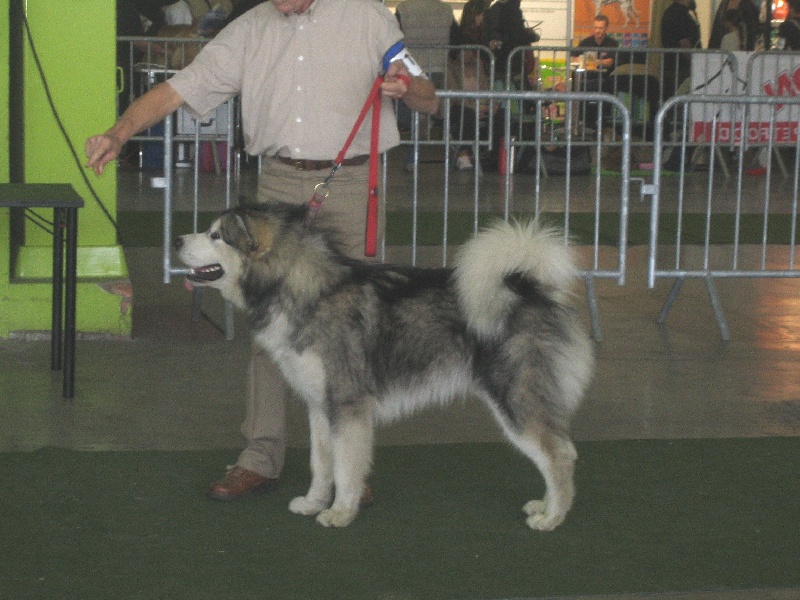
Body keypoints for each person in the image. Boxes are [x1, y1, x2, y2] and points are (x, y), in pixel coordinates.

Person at [86, 0, 438, 502]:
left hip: (355, 180)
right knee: (270, 324)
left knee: (351, 328)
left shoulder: (368, 17)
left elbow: (429, 96)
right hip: (277, 184)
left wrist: (407, 89)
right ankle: (260, 457)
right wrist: (119, 133)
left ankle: (348, 468)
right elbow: (179, 88)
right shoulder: (249, 30)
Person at [571, 14, 619, 130]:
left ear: (606, 28)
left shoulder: (612, 43)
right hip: (586, 77)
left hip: (606, 79)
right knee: (578, 86)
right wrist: (582, 60)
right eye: (595, 27)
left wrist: (593, 61)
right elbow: (573, 57)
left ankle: (599, 123)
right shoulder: (585, 42)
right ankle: (581, 122)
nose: (597, 31)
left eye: (601, 28)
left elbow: (609, 62)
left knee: (587, 87)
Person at [481, 0, 540, 89]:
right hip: (512, 60)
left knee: (501, 93)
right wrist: (533, 36)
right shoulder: (513, 10)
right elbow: (517, 35)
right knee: (522, 92)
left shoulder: (493, 9)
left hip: (495, 60)